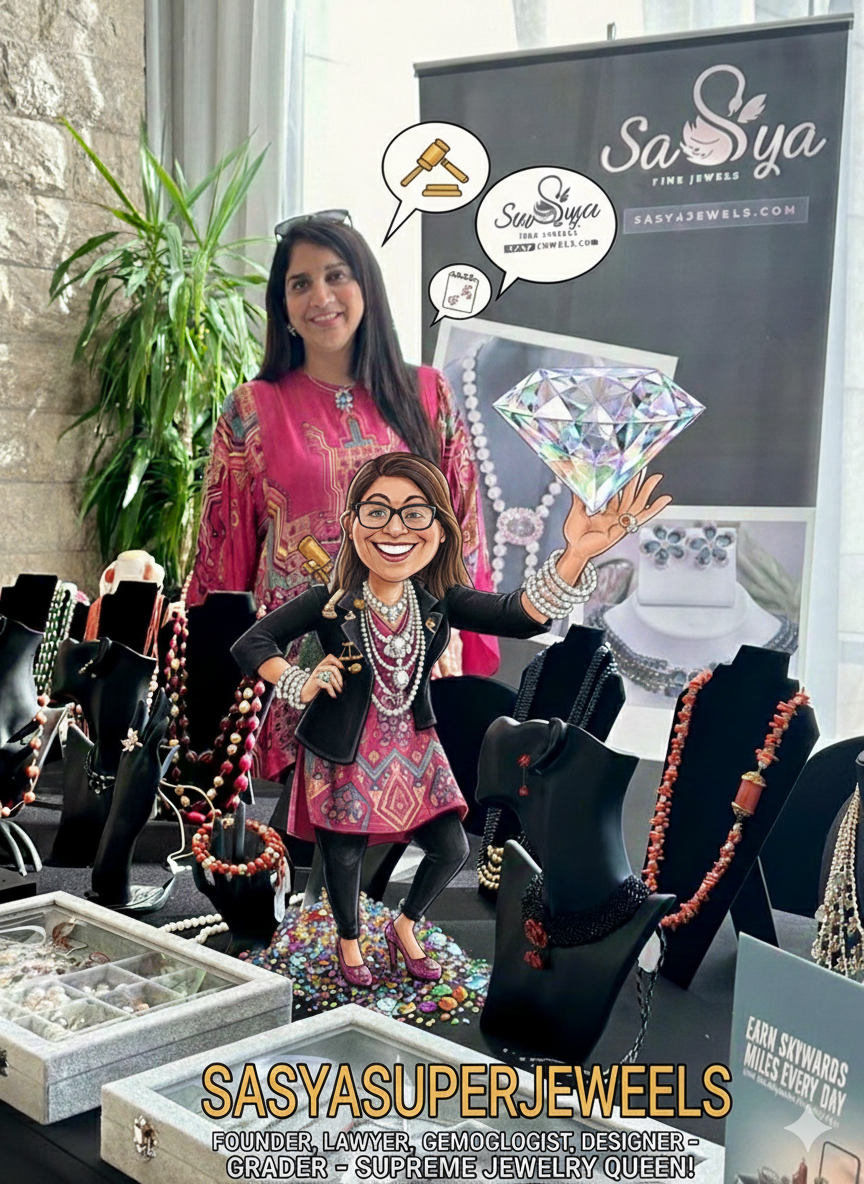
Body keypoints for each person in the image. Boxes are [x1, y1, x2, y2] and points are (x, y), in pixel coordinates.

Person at [231, 451, 670, 987]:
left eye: (415, 514)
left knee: (451, 848)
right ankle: (348, 943)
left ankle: (404, 925)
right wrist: (299, 680)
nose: (395, 529)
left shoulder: (437, 600)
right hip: (343, 748)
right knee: (343, 855)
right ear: (351, 523)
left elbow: (519, 614)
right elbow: (252, 643)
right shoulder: (331, 601)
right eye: (377, 512)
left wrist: (576, 553)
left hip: (413, 746)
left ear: (440, 530)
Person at [188, 212, 496, 783]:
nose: (321, 297)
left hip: (413, 658)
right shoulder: (253, 408)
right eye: (300, 283)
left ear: (366, 285)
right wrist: (214, 678)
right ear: (282, 305)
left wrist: (453, 633)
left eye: (336, 276)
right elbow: (221, 556)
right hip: (302, 673)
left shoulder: (428, 394)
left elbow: (464, 530)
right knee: (305, 832)